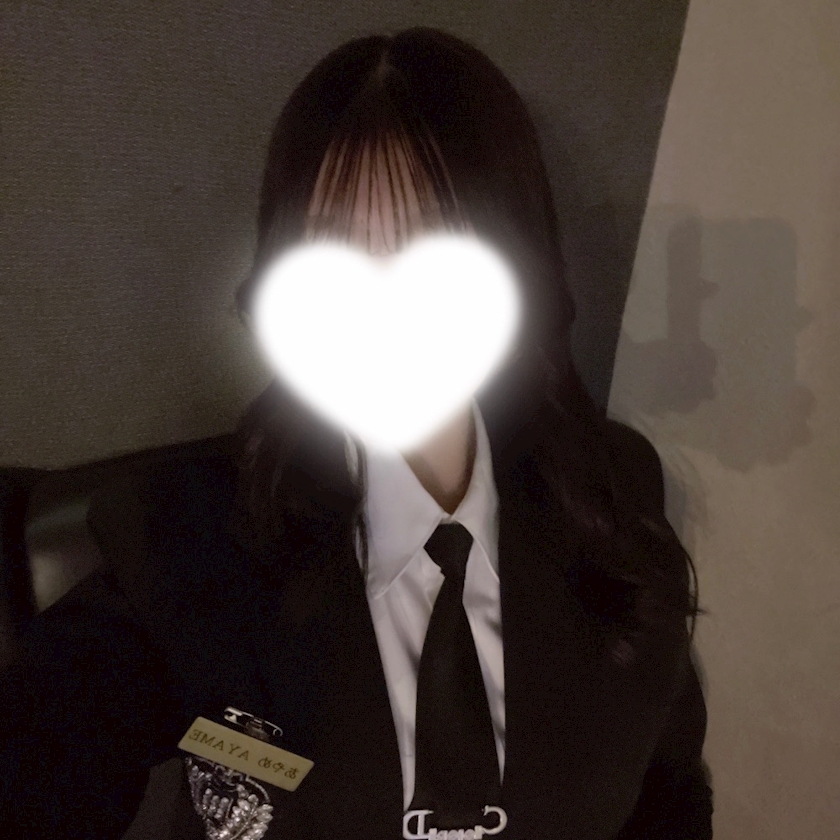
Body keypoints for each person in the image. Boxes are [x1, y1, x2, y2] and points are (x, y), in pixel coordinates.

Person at [0, 26, 714, 840]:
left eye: (436, 246)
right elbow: (47, 749)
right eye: (335, 253)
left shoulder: (611, 496)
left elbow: (668, 787)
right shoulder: (181, 540)